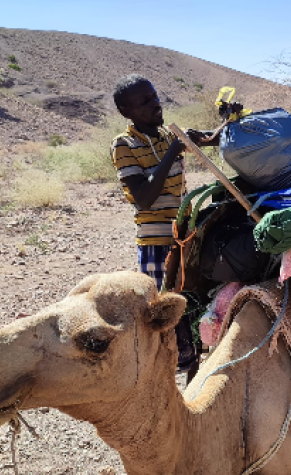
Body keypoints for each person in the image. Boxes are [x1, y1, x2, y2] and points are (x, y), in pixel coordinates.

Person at [110, 74, 217, 380]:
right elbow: (144, 198)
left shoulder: (169, 136)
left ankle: (194, 387)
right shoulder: (124, 144)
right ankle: (162, 387)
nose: (155, 104)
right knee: (166, 318)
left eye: (155, 97)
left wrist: (229, 121)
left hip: (185, 237)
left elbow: (213, 140)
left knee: (192, 313)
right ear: (126, 111)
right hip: (156, 243)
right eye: (144, 101)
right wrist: (174, 150)